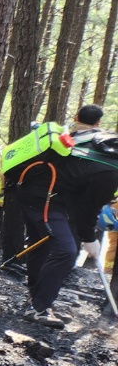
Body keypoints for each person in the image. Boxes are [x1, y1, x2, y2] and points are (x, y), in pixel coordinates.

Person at [13, 123, 118, 325]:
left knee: (41, 244)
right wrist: (89, 238)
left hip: (35, 191)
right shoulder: (111, 173)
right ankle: (38, 308)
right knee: (66, 251)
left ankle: (37, 301)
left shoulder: (106, 147)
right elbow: (88, 209)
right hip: (43, 197)